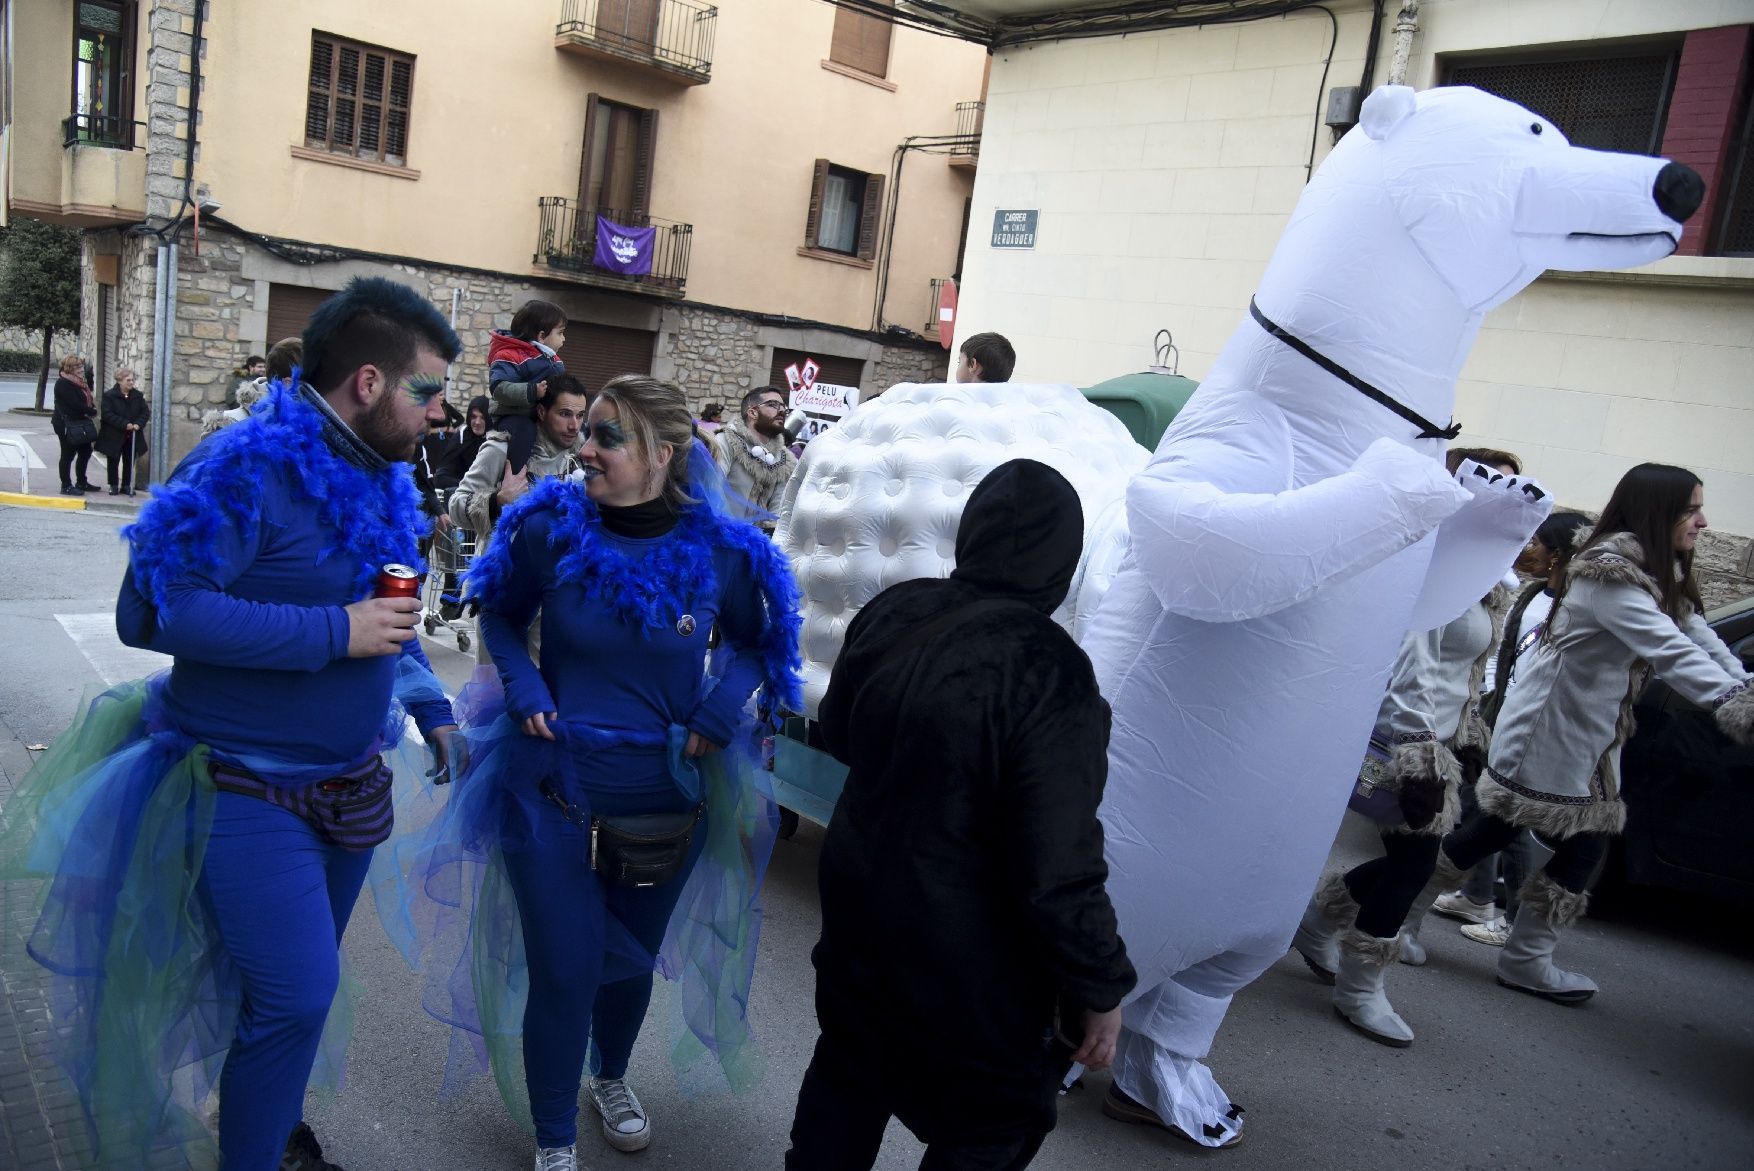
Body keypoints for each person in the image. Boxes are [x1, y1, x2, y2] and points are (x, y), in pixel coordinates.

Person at [0, 277, 464, 1170]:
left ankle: (268, 1134)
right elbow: (158, 615)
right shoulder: (242, 465)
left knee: (288, 1002)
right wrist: (338, 631)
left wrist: (430, 703)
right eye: (427, 389)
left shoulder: (384, 478)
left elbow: (389, 624)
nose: (441, 409)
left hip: (351, 783)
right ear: (368, 382)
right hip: (244, 782)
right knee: (294, 995)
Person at [414, 375, 801, 1170]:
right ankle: (555, 1136)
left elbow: (758, 642)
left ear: (663, 455)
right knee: (565, 966)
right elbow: (499, 609)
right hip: (550, 782)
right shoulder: (548, 526)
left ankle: (611, 1077)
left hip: (666, 791)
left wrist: (719, 707)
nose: (583, 448)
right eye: (584, 430)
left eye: (606, 437)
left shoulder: (722, 550)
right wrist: (521, 683)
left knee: (628, 963)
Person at [786, 459, 1135, 1170]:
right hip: (972, 972)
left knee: (844, 1091)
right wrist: (1102, 988)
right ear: (1063, 559)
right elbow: (1059, 863)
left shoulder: (896, 609)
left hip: (861, 928)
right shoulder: (1052, 669)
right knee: (987, 1130)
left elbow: (840, 733)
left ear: (971, 533)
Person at [1397, 463, 1752, 1005]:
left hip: (1588, 734)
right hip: (1550, 730)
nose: (1703, 522)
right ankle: (1425, 925)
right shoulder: (1607, 573)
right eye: (1692, 509)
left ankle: (1464, 936)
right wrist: (1734, 704)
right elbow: (1669, 648)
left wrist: (1742, 687)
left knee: (1508, 831)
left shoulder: (1657, 569)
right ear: (1659, 512)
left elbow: (1695, 631)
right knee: (1529, 834)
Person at [1291, 449, 1523, 1046]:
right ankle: (1360, 986)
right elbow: (1409, 665)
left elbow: (1465, 668)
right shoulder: (1430, 560)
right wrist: (1422, 752)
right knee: (1416, 863)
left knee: (1408, 862)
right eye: (1504, 492)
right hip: (1403, 742)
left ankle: (1319, 924)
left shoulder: (1483, 574)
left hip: (1437, 742)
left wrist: (1466, 731)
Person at [1436, 509, 1594, 944]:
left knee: (1503, 819)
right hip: (1501, 717)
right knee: (1478, 808)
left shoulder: (1584, 604)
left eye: (1536, 543)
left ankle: (1511, 918)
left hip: (1537, 733)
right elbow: (1504, 656)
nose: (1528, 550)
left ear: (1559, 552)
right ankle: (1477, 895)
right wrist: (1491, 698)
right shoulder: (1531, 596)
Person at [451, 376, 588, 541]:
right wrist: (497, 501)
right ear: (541, 412)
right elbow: (455, 506)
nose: (574, 426)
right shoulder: (502, 449)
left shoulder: (578, 457)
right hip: (504, 563)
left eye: (580, 416)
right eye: (565, 414)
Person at [488, 299, 568, 478]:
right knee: (524, 430)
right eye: (560, 333)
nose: (564, 339)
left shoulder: (554, 361)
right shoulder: (508, 355)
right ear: (541, 336)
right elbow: (499, 388)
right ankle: (515, 476)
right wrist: (532, 391)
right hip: (514, 416)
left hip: (539, 416)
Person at [711, 385, 797, 526]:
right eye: (773, 405)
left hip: (758, 543)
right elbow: (712, 491)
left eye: (783, 407)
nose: (781, 410)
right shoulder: (726, 441)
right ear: (752, 412)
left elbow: (778, 512)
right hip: (719, 535)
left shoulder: (786, 461)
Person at [95, 366, 149, 496]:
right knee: (113, 460)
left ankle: (126, 485)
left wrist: (138, 424)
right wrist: (125, 424)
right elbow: (107, 414)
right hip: (114, 434)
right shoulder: (109, 396)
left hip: (132, 434)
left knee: (129, 460)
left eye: (132, 380)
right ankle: (113, 485)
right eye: (128, 380)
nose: (131, 382)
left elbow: (145, 412)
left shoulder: (137, 395)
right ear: (120, 381)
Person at [51, 353, 100, 495]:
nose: (81, 369)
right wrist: (91, 411)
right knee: (68, 454)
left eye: (81, 366)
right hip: (66, 424)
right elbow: (75, 404)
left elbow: (84, 398)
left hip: (79, 422)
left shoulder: (79, 382)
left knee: (85, 451)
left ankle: (81, 482)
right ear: (70, 368)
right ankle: (66, 485)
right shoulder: (63, 383)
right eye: (78, 366)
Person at [436, 394, 491, 492]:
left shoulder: (494, 441)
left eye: (483, 417)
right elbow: (441, 477)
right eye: (473, 417)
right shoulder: (460, 438)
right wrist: (470, 486)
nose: (477, 422)